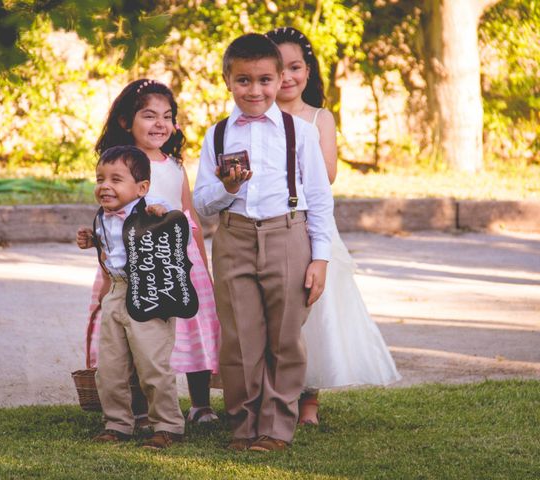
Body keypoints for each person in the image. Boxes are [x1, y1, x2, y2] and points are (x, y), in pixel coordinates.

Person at [193, 33, 334, 452]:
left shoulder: (299, 132)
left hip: (288, 235)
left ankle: (275, 428)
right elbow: (202, 204)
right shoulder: (217, 136)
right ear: (227, 81)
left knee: (285, 337)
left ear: (278, 81)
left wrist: (320, 258)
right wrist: (227, 188)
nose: (255, 90)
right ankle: (243, 424)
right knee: (239, 339)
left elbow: (320, 200)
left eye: (264, 80)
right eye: (243, 81)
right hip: (233, 238)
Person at [265, 26, 401, 425]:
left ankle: (309, 398)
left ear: (308, 71)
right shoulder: (257, 119)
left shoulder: (319, 118)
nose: (287, 77)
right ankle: (270, 393)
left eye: (295, 67)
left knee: (315, 311)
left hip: (310, 224)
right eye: (279, 68)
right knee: (273, 310)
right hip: (269, 224)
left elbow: (326, 173)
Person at [83, 79, 220, 427]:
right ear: (127, 121)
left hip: (178, 259)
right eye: (149, 115)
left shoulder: (174, 166)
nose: (160, 124)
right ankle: (140, 408)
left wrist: (202, 265)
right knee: (138, 334)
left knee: (193, 326)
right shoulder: (120, 165)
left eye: (167, 116)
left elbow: (191, 219)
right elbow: (109, 216)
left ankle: (200, 404)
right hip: (136, 262)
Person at [76, 145, 185, 449]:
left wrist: (158, 212)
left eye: (115, 179)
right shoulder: (103, 217)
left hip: (147, 293)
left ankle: (167, 424)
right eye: (100, 179)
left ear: (141, 188)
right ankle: (118, 423)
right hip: (116, 292)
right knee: (110, 366)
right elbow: (110, 249)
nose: (105, 186)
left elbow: (167, 214)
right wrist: (91, 239)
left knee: (152, 363)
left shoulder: (149, 207)